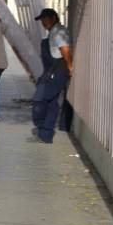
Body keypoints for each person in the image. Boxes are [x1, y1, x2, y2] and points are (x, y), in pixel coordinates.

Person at [31, 8, 72, 144]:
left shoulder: (58, 31)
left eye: (45, 19)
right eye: (42, 20)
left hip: (58, 69)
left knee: (41, 100)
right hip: (52, 69)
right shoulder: (53, 33)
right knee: (51, 102)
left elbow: (64, 49)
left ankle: (44, 132)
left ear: (54, 18)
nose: (43, 22)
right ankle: (45, 134)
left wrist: (70, 67)